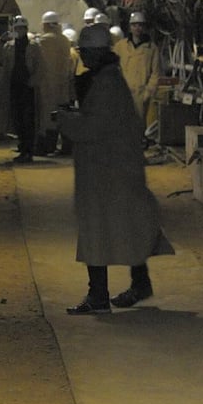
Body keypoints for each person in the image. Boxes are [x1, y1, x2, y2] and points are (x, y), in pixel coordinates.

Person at [56, 24, 173, 314]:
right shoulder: (108, 79)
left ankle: (99, 296)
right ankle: (138, 283)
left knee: (99, 230)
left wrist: (64, 120)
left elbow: (92, 127)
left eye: (85, 52)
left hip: (106, 172)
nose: (82, 56)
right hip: (113, 168)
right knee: (128, 227)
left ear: (95, 53)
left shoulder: (106, 84)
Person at [31, 11, 75, 157]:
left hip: (47, 85)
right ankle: (65, 147)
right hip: (63, 85)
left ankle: (46, 147)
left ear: (46, 25)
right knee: (61, 115)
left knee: (46, 118)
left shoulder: (44, 41)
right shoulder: (64, 40)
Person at [0, 14, 37, 163]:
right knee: (18, 119)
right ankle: (23, 147)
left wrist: (34, 80)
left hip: (28, 88)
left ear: (26, 29)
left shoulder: (33, 46)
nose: (19, 31)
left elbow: (40, 67)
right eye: (17, 28)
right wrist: (1, 40)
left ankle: (28, 151)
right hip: (15, 87)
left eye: (21, 28)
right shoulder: (9, 46)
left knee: (28, 120)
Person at [115, 11, 162, 130]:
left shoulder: (151, 48)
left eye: (140, 25)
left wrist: (148, 92)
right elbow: (113, 68)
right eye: (134, 25)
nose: (137, 28)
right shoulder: (121, 46)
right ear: (130, 27)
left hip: (141, 94)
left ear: (144, 27)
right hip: (122, 92)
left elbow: (155, 73)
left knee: (138, 125)